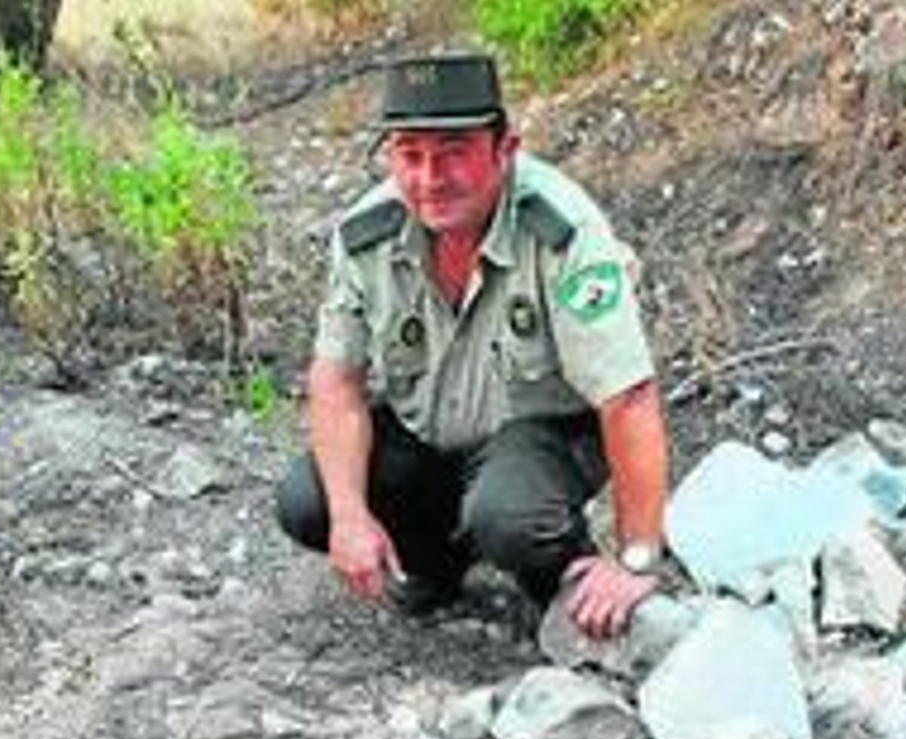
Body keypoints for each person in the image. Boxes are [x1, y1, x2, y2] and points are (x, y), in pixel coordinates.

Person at [275, 52, 671, 640]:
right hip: (432, 438)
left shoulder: (563, 231)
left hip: (540, 440)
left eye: (454, 152)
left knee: (507, 512)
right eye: (411, 155)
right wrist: (353, 517)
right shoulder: (368, 235)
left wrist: (638, 556)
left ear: (504, 150)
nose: (431, 178)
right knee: (310, 500)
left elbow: (628, 397)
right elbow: (337, 382)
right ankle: (435, 565)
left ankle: (564, 580)